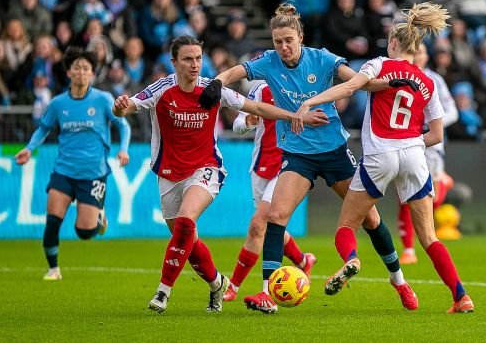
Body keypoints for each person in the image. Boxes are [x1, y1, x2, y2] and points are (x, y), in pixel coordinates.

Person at [200, 3, 411, 314]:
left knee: (370, 218)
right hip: (297, 154)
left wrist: (387, 84)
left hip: (334, 152)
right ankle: (268, 292)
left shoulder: (322, 58)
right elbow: (237, 71)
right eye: (277, 42)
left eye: (289, 40)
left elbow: (356, 81)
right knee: (275, 216)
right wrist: (217, 82)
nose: (283, 48)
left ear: (300, 36)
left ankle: (399, 280)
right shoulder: (269, 62)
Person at [110, 35, 327, 314]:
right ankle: (217, 284)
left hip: (206, 168)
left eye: (199, 58)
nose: (195, 64)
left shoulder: (212, 89)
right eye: (188, 59)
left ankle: (163, 292)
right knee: (187, 240)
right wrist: (119, 107)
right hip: (169, 172)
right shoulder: (162, 89)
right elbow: (128, 106)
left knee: (187, 221)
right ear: (173, 62)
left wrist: (297, 116)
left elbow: (257, 108)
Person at [293, 2, 475, 314]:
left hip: (380, 154)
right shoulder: (428, 80)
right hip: (415, 156)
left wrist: (310, 102)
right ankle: (461, 297)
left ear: (392, 43)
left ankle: (351, 260)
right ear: (416, 49)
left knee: (347, 225)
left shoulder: (378, 64)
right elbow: (437, 135)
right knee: (429, 237)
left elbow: (349, 88)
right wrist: (412, 141)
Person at [14, 47, 131, 281]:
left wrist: (123, 149)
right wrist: (29, 148)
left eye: (86, 68)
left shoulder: (102, 99)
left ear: (92, 73)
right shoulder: (58, 103)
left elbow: (123, 125)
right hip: (64, 171)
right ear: (68, 72)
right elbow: (44, 128)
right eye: (76, 67)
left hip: (93, 174)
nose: (81, 72)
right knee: (52, 220)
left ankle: (98, 216)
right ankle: (53, 269)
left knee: (84, 232)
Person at [224, 80, 316, 301]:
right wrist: (248, 120)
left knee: (258, 225)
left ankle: (242, 288)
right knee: (268, 228)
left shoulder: (304, 86)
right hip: (260, 167)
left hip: (289, 167)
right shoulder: (260, 89)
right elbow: (238, 125)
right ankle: (303, 261)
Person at [397, 41, 459, 265]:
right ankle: (408, 249)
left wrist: (434, 124)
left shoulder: (434, 80)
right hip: (405, 143)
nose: (417, 56)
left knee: (430, 197)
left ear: (426, 56)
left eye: (421, 52)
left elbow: (453, 111)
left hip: (430, 144)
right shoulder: (398, 76)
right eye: (414, 52)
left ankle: (443, 184)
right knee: (405, 196)